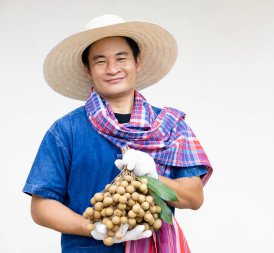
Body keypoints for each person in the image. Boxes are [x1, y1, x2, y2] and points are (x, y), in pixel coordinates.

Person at [22, 14, 213, 253]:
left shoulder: (170, 126)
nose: (112, 69)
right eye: (100, 61)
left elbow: (194, 198)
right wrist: (91, 227)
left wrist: (153, 179)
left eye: (121, 58)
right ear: (87, 69)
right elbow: (41, 207)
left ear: (137, 62)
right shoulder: (66, 131)